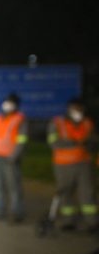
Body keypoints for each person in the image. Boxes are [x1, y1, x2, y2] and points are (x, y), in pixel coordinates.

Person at [47, 97, 97, 232]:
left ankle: (92, 222)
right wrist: (73, 142)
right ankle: (68, 221)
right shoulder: (57, 123)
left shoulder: (87, 123)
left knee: (87, 193)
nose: (77, 111)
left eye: (80, 109)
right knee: (65, 193)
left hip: (83, 164)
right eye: (74, 108)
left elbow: (93, 141)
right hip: (63, 165)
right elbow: (53, 142)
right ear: (68, 109)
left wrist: (90, 144)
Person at [0, 92, 27, 222]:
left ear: (16, 105)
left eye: (10, 102)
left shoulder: (19, 120)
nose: (7, 105)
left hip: (10, 159)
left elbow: (21, 141)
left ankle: (16, 213)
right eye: (6, 102)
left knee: (14, 188)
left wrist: (14, 156)